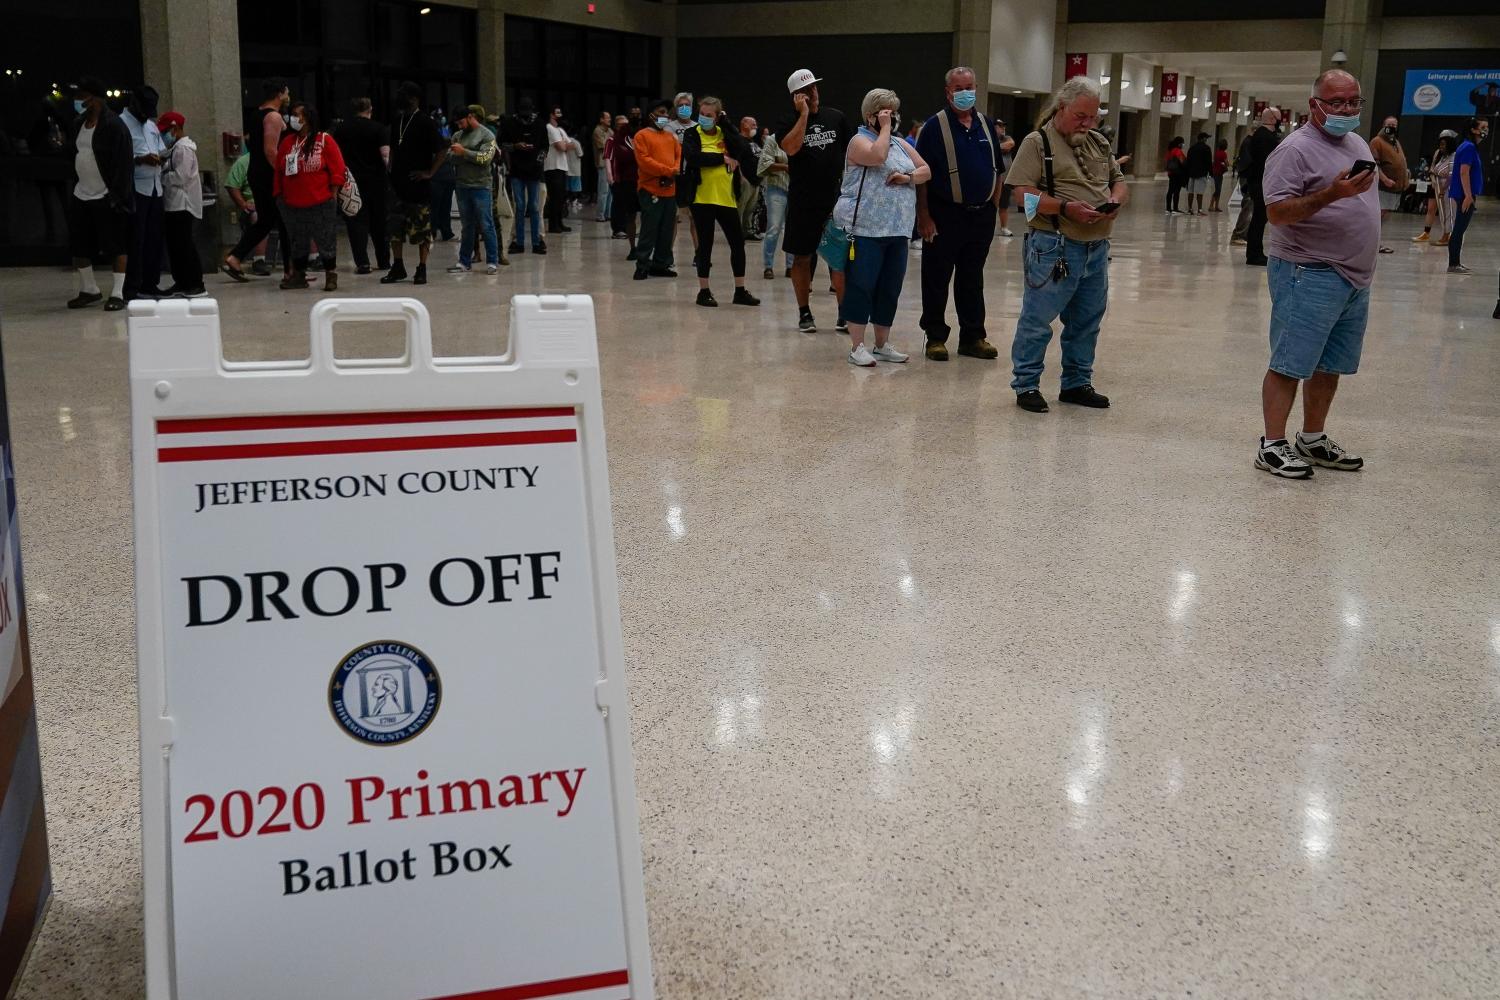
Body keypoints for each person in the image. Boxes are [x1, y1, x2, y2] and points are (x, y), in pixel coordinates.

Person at [1254, 69, 1379, 479]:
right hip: (1308, 272)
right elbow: (1276, 213)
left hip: (1352, 278)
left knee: (1330, 364)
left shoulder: (1358, 141)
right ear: (1314, 105)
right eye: (1337, 102)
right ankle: (1272, 445)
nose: (1346, 109)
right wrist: (1331, 194)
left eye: (1353, 102)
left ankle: (1312, 437)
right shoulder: (1294, 150)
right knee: (1291, 361)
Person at [1004, 76, 1127, 412]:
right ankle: (1027, 384)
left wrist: (1114, 200)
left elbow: (1118, 181)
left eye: (1094, 118)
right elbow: (1021, 196)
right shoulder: (1037, 143)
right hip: (1054, 245)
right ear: (1062, 108)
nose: (1087, 124)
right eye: (1081, 117)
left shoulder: (1098, 142)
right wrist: (1064, 208)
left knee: (1087, 321)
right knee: (1037, 319)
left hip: (1096, 248)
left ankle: (1076, 382)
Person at [836, 88, 931, 366]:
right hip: (866, 229)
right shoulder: (858, 141)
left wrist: (907, 177)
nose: (892, 117)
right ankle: (857, 346)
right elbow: (877, 157)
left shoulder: (900, 144)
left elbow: (926, 170)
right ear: (871, 116)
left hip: (898, 229)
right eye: (886, 112)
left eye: (894, 112)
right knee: (862, 285)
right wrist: (885, 129)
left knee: (890, 288)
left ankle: (881, 343)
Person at [914, 65, 1003, 361]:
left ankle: (973, 336)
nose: (966, 93)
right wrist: (924, 216)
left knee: (972, 278)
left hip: (980, 217)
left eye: (970, 87)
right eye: (959, 88)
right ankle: (935, 337)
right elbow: (922, 176)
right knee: (937, 277)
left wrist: (993, 204)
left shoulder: (986, 124)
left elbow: (997, 169)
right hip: (944, 214)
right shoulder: (933, 128)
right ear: (948, 91)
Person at [774, 68, 851, 333]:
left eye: (815, 88)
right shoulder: (787, 121)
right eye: (806, 91)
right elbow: (791, 148)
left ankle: (844, 312)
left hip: (833, 200)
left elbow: (849, 154)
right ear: (796, 96)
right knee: (802, 257)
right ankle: (804, 312)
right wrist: (804, 114)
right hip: (802, 201)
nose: (813, 93)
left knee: (839, 257)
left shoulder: (836, 117)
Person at [679, 98, 760, 308]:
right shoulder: (691, 134)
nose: (704, 118)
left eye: (710, 115)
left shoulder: (725, 134)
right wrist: (722, 159)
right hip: (702, 198)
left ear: (717, 116)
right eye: (702, 114)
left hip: (726, 198)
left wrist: (727, 124)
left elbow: (742, 148)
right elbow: (694, 157)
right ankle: (704, 291)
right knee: (705, 245)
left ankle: (740, 290)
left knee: (737, 243)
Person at [64, 76, 132, 311]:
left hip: (106, 195)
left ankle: (118, 292)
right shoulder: (78, 124)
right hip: (82, 193)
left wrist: (117, 196)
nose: (77, 100)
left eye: (81, 97)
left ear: (95, 99)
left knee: (116, 244)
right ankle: (89, 288)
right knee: (79, 244)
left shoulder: (114, 126)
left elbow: (123, 165)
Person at [223, 79, 292, 282]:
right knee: (285, 221)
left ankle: (235, 256)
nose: (288, 96)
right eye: (287, 92)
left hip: (257, 172)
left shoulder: (257, 114)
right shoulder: (273, 116)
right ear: (280, 94)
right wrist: (284, 174)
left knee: (265, 220)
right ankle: (291, 270)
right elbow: (271, 151)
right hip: (269, 175)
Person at [273, 102, 346, 292]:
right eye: (292, 114)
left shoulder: (324, 140)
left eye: (297, 115)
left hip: (321, 201)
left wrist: (333, 194)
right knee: (297, 240)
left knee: (326, 239)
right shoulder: (287, 142)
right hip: (291, 203)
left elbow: (338, 169)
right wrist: (279, 196)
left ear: (307, 118)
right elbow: (279, 171)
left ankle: (331, 274)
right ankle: (299, 275)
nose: (293, 118)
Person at [381, 81, 446, 284]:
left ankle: (422, 267)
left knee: (421, 229)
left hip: (418, 185)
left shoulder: (426, 122)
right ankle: (398, 266)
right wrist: (390, 170)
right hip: (397, 185)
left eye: (405, 95)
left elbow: (442, 150)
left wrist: (430, 172)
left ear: (415, 98)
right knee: (394, 229)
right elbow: (392, 148)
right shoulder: (397, 120)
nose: (401, 98)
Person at [333, 97, 391, 274]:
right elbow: (386, 156)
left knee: (356, 222)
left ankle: (363, 262)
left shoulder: (341, 130)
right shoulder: (379, 129)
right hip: (376, 182)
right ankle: (383, 260)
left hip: (350, 182)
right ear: (370, 109)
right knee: (379, 222)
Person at [120, 86, 166, 300]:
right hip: (136, 188)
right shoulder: (121, 124)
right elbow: (114, 160)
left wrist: (162, 157)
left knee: (154, 238)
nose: (146, 115)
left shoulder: (151, 126)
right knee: (135, 240)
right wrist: (140, 159)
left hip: (156, 187)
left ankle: (150, 283)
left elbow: (161, 148)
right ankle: (131, 286)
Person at [444, 105, 499, 275]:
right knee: (467, 225)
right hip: (462, 185)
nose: (459, 126)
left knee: (486, 224)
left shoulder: (487, 135)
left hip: (481, 186)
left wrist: (464, 153)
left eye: (461, 122)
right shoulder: (457, 135)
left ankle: (492, 261)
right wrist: (463, 155)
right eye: (457, 124)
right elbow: (449, 157)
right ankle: (464, 261)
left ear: (470, 117)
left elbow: (485, 159)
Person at [155, 111, 204, 297]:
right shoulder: (175, 149)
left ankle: (195, 282)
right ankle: (182, 281)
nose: (164, 135)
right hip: (174, 204)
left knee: (184, 245)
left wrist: (162, 175)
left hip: (182, 205)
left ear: (175, 129)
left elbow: (180, 176)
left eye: (166, 131)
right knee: (176, 246)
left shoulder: (183, 149)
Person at [633, 99, 682, 280]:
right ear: (651, 115)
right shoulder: (642, 136)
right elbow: (644, 162)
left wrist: (674, 170)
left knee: (666, 229)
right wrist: (668, 171)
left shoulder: (670, 137)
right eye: (661, 112)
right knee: (649, 228)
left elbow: (678, 155)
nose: (665, 116)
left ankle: (661, 264)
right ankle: (642, 264)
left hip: (670, 189)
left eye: (667, 113)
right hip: (650, 188)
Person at [500, 98, 548, 254]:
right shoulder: (509, 123)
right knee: (521, 207)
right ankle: (520, 242)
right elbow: (500, 144)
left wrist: (538, 162)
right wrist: (515, 146)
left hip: (532, 171)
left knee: (533, 207)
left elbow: (544, 147)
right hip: (517, 171)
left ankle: (535, 242)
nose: (525, 117)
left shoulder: (540, 124)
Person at [224, 151, 278, 275]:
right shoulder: (245, 162)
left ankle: (311, 259)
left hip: (279, 202)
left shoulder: (278, 157)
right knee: (260, 218)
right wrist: (243, 204)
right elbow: (231, 184)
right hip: (256, 205)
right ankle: (259, 260)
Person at [1446, 116, 1487, 275]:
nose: (1486, 131)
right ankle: (1453, 264)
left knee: (1460, 228)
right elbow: (1464, 172)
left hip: (1465, 193)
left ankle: (1455, 263)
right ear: (1474, 129)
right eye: (1483, 127)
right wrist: (1468, 196)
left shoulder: (1469, 146)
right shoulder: (1468, 147)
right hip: (1464, 194)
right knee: (1459, 229)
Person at [1244, 107, 1283, 266]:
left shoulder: (1264, 135)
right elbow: (1267, 162)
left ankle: (1255, 252)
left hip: (1261, 182)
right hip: (1261, 183)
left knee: (1260, 219)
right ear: (1273, 119)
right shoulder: (1264, 137)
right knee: (1259, 220)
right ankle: (1254, 254)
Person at [1369, 115, 1408, 254]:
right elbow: (1374, 164)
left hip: (1394, 188)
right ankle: (1372, 244)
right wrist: (1384, 179)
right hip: (1383, 187)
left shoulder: (1395, 142)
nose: (1392, 128)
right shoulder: (1377, 141)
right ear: (1383, 125)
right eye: (1390, 125)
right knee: (1378, 215)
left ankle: (1376, 243)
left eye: (1394, 125)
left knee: (1384, 216)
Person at [1414, 131, 1457, 245]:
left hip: (1446, 189)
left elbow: (1451, 175)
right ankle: (1427, 233)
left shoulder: (1454, 156)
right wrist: (1434, 180)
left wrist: (1442, 189)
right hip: (1436, 186)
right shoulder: (1439, 154)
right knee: (1436, 210)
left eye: (1444, 143)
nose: (1441, 146)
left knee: (1448, 212)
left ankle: (1448, 235)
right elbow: (1433, 169)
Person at [757, 131, 791, 279]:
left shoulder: (801, 137)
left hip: (796, 189)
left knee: (792, 229)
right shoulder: (772, 140)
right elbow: (765, 164)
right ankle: (768, 266)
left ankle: (791, 266)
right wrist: (785, 166)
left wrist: (778, 163)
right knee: (774, 228)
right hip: (776, 188)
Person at [605, 115, 639, 252]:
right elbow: (607, 158)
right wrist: (610, 176)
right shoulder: (612, 140)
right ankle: (617, 228)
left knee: (628, 204)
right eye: (620, 125)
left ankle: (627, 228)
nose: (623, 127)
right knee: (617, 202)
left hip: (629, 178)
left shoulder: (631, 140)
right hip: (616, 176)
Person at [542, 107, 572, 234]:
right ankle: (553, 224)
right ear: (551, 115)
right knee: (554, 197)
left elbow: (571, 145)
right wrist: (564, 144)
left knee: (561, 197)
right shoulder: (549, 128)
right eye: (557, 113)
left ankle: (559, 222)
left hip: (562, 166)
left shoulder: (559, 129)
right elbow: (561, 146)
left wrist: (565, 144)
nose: (560, 115)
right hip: (552, 167)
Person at [736, 116, 762, 241]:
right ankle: (736, 232)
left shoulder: (753, 142)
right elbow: (736, 161)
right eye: (753, 124)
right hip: (745, 181)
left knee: (750, 209)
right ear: (744, 124)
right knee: (740, 208)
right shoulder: (739, 141)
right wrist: (741, 178)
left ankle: (747, 231)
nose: (755, 127)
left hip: (756, 181)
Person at [1230, 129, 1255, 245]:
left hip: (1246, 176)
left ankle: (1243, 233)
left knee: (1248, 205)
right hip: (1248, 177)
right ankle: (1239, 234)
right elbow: (1247, 162)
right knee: (1248, 205)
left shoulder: (1248, 142)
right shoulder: (1249, 143)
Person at [994, 118, 1017, 237]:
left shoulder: (1006, 138)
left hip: (1006, 178)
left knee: (1004, 205)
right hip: (993, 179)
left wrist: (994, 147)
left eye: (1003, 126)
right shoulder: (990, 137)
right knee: (991, 205)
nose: (1003, 128)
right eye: (999, 126)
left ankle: (1004, 228)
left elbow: (1010, 144)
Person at [1183, 133, 1211, 215]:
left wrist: (1187, 173)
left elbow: (1188, 161)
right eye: (1206, 138)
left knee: (1190, 191)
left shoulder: (1192, 148)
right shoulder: (1206, 148)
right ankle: (1199, 210)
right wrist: (1210, 173)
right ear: (1202, 138)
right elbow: (1208, 162)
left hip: (1191, 173)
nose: (1206, 140)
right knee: (1200, 192)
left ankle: (1190, 209)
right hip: (1201, 173)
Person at [593, 110, 613, 222]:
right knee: (603, 191)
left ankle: (608, 214)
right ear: (601, 119)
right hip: (602, 164)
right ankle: (600, 215)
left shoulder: (609, 130)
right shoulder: (597, 131)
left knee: (610, 191)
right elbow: (603, 146)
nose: (609, 119)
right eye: (607, 117)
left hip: (610, 163)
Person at [1163, 136, 1186, 214]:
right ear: (1179, 144)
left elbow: (1166, 161)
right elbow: (1182, 161)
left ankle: (1168, 208)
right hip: (1178, 173)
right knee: (1177, 191)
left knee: (1170, 190)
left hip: (1171, 173)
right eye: (1182, 143)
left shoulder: (1170, 151)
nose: (1183, 145)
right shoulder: (1177, 151)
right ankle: (1175, 208)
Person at [1210, 137, 1229, 212]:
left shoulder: (1216, 152)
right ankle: (1212, 205)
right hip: (1219, 173)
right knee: (1218, 190)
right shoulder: (1223, 153)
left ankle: (1216, 206)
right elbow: (1227, 163)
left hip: (1215, 172)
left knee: (1218, 189)